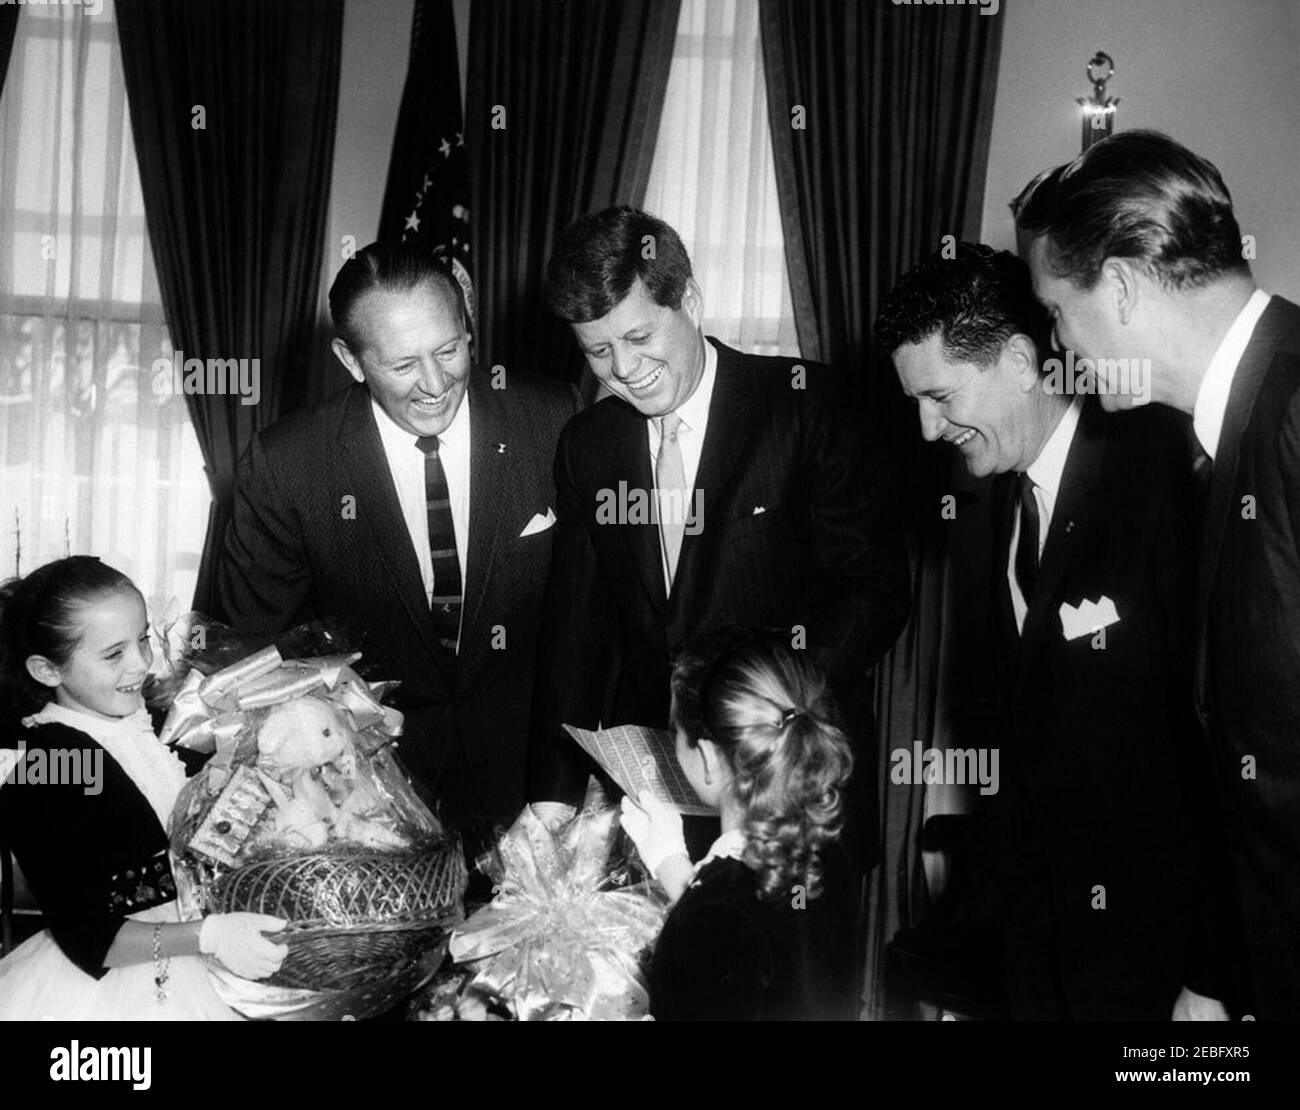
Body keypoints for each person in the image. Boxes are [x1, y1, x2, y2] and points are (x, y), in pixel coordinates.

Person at [876, 242, 1230, 1020]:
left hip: (1170, 963)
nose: (930, 431)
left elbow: (1227, 759)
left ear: (1016, 360)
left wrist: (1214, 973)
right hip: (1044, 952)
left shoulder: (1166, 476)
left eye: (940, 397)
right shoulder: (992, 501)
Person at [1015, 130, 1300, 1020]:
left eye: (1057, 310)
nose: (1057, 341)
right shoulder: (1236, 424)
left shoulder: (1292, 416)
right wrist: (1223, 969)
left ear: (1125, 288)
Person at [528, 206, 909, 868]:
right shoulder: (587, 447)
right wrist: (553, 801)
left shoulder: (804, 406)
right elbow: (575, 634)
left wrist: (758, 719)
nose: (625, 369)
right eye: (599, 350)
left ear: (692, 301)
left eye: (640, 336)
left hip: (794, 787)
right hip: (656, 806)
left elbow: (874, 590)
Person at [218, 244, 580, 831]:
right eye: (403, 365)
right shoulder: (287, 465)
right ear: (352, 360)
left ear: (468, 330)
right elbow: (260, 663)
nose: (436, 384)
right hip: (370, 803)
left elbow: (595, 624)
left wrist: (561, 793)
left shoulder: (553, 418)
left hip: (542, 790)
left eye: (449, 350)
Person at [0, 556, 285, 1020]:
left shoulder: (139, 723)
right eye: (114, 654)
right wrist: (208, 935)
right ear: (46, 670)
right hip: (126, 979)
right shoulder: (52, 763)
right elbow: (90, 936)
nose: (141, 663)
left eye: (143, 640)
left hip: (197, 944)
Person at [619, 629, 858, 1020]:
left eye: (674, 731)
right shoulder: (829, 854)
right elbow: (762, 949)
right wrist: (676, 869)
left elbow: (724, 932)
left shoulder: (713, 912)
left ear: (710, 760)